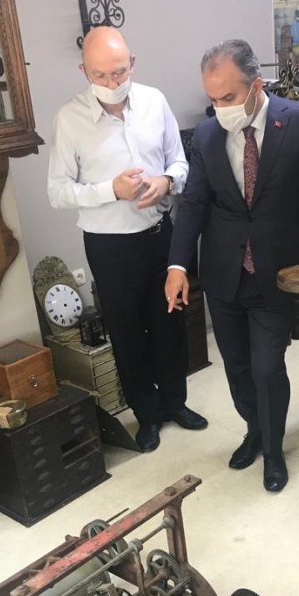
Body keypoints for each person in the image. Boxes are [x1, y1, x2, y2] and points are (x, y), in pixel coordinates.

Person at [165, 39, 299, 492]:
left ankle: (273, 449)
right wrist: (177, 266)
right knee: (237, 366)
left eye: (228, 97)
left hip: (276, 271)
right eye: (213, 99)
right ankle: (255, 429)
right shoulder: (207, 135)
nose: (220, 108)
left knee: (268, 366)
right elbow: (193, 204)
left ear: (256, 85)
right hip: (223, 272)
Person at [48, 27, 207, 452]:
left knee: (170, 322)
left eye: (118, 72)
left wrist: (166, 181)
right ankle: (147, 415)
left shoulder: (154, 101)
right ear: (84, 71)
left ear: (132, 63)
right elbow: (57, 191)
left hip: (160, 235)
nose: (111, 82)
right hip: (109, 245)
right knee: (127, 333)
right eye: (100, 75)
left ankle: (175, 403)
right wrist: (110, 191)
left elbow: (180, 162)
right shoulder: (70, 118)